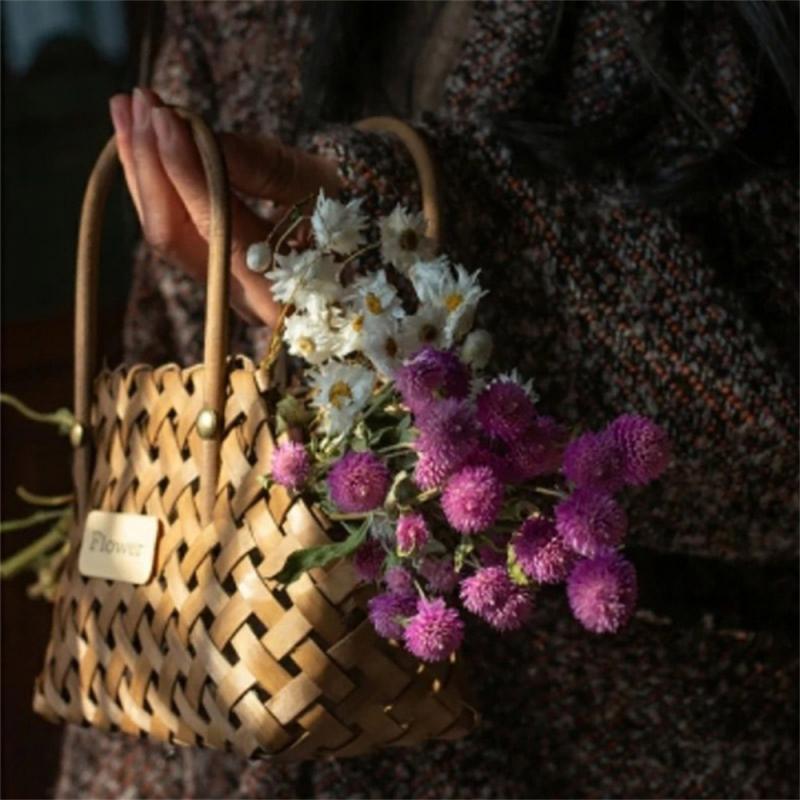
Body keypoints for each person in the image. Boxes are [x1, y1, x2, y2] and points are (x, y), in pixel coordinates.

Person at [55, 2, 798, 797]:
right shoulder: (232, 15)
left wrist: (457, 248)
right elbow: (161, 456)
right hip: (245, 719)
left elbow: (766, 427)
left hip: (618, 744)